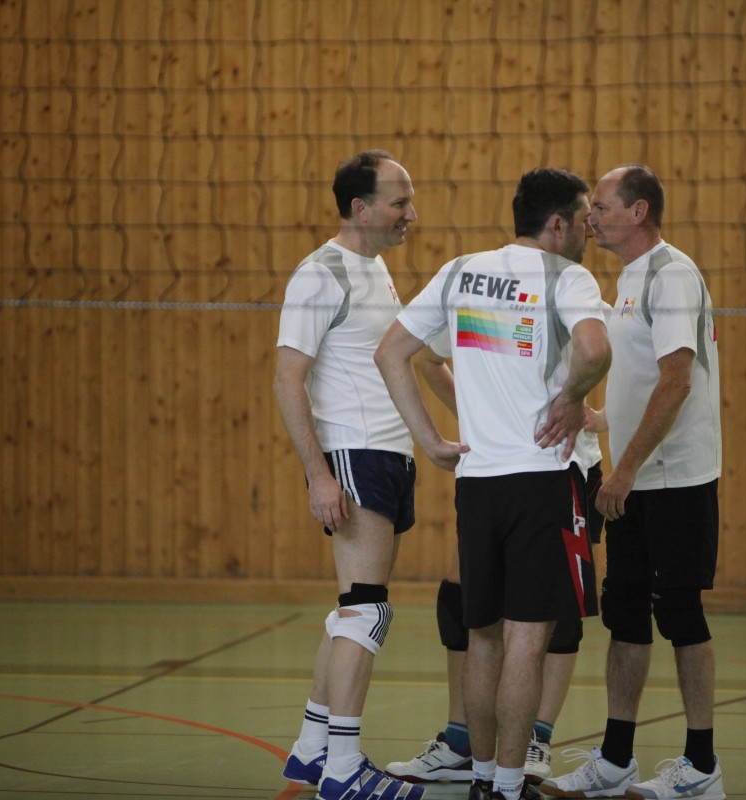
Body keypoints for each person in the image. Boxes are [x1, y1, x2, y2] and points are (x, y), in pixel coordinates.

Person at [374, 168, 611, 800]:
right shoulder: (567, 277)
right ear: (556, 224)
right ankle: (508, 786)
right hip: (543, 480)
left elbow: (392, 352)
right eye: (582, 219)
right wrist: (573, 398)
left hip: (477, 482)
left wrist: (430, 440)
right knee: (527, 642)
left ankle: (480, 780)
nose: (589, 231)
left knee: (482, 640)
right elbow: (595, 350)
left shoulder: (460, 271)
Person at [540, 165, 726, 800]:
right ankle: (616, 758)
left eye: (601, 206)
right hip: (638, 481)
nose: (591, 217)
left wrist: (621, 469)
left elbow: (676, 381)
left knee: (680, 612)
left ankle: (701, 766)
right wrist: (601, 417)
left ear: (638, 211)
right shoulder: (628, 280)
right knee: (625, 615)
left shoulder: (672, 275)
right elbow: (642, 378)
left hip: (675, 480)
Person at [387, 338, 607, 787]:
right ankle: (462, 741)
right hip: (490, 467)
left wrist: (600, 417)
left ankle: (536, 736)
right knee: (463, 600)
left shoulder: (573, 305)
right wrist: (478, 416)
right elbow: (428, 358)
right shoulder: (473, 302)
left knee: (554, 613)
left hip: (561, 464)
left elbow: (608, 353)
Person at [273, 149, 424, 800]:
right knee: (367, 609)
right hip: (354, 453)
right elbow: (287, 378)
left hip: (386, 454)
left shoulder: (376, 268)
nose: (411, 214)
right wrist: (318, 474)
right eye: (399, 202)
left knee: (353, 611)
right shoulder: (321, 273)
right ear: (360, 209)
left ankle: (313, 749)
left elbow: (408, 358)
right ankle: (343, 768)